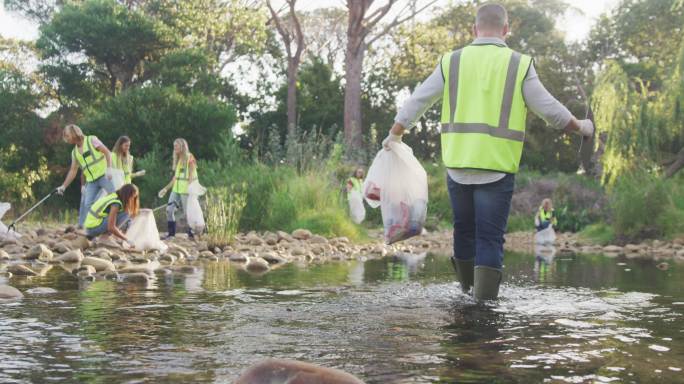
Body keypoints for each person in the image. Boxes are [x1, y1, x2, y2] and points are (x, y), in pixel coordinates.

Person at [384, 3, 594, 300]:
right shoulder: (518, 64)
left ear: (474, 29)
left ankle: (465, 299)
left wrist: (394, 134)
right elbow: (553, 113)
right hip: (496, 169)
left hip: (458, 167)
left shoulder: (452, 62)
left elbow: (418, 101)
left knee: (463, 233)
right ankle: (483, 310)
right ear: (507, 30)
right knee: (489, 238)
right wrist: (583, 127)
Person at [57, 124, 115, 229]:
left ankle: (126, 222)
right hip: (92, 181)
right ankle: (98, 226)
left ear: (74, 133)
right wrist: (63, 186)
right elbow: (73, 170)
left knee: (115, 197)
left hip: (104, 175)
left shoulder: (92, 140)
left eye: (67, 136)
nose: (66, 139)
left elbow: (107, 152)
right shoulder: (74, 152)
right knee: (88, 205)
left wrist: (109, 169)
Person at [157, 138, 198, 239]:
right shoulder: (178, 159)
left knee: (187, 213)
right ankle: (171, 234)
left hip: (185, 190)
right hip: (176, 189)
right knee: (169, 210)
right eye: (174, 146)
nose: (174, 148)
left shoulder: (189, 157)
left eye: (176, 146)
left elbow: (192, 175)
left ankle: (191, 234)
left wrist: (189, 188)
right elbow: (175, 178)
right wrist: (165, 189)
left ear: (182, 147)